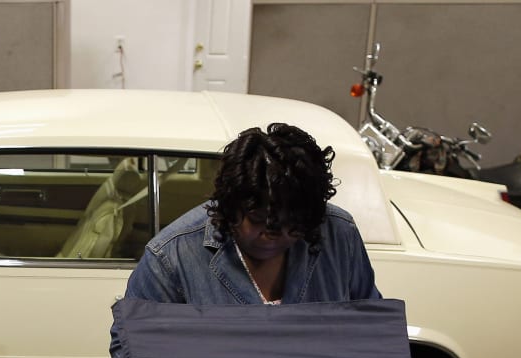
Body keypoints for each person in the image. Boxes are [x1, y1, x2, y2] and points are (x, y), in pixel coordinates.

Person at [120, 122, 381, 311]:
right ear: (229, 204)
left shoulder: (338, 234)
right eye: (259, 220)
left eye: (293, 225)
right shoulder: (170, 257)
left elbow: (372, 332)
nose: (274, 235)